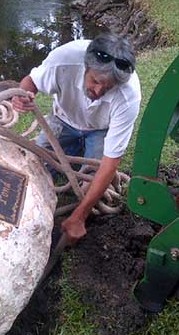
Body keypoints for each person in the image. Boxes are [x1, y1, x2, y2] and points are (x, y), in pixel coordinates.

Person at [12, 33, 141, 244]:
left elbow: (110, 164)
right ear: (85, 67)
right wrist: (22, 95)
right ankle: (71, 151)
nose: (98, 90)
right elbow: (31, 81)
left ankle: (79, 156)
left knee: (88, 185)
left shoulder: (129, 96)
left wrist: (79, 216)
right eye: (96, 81)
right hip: (63, 119)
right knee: (32, 166)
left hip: (100, 129)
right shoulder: (64, 59)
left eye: (107, 88)